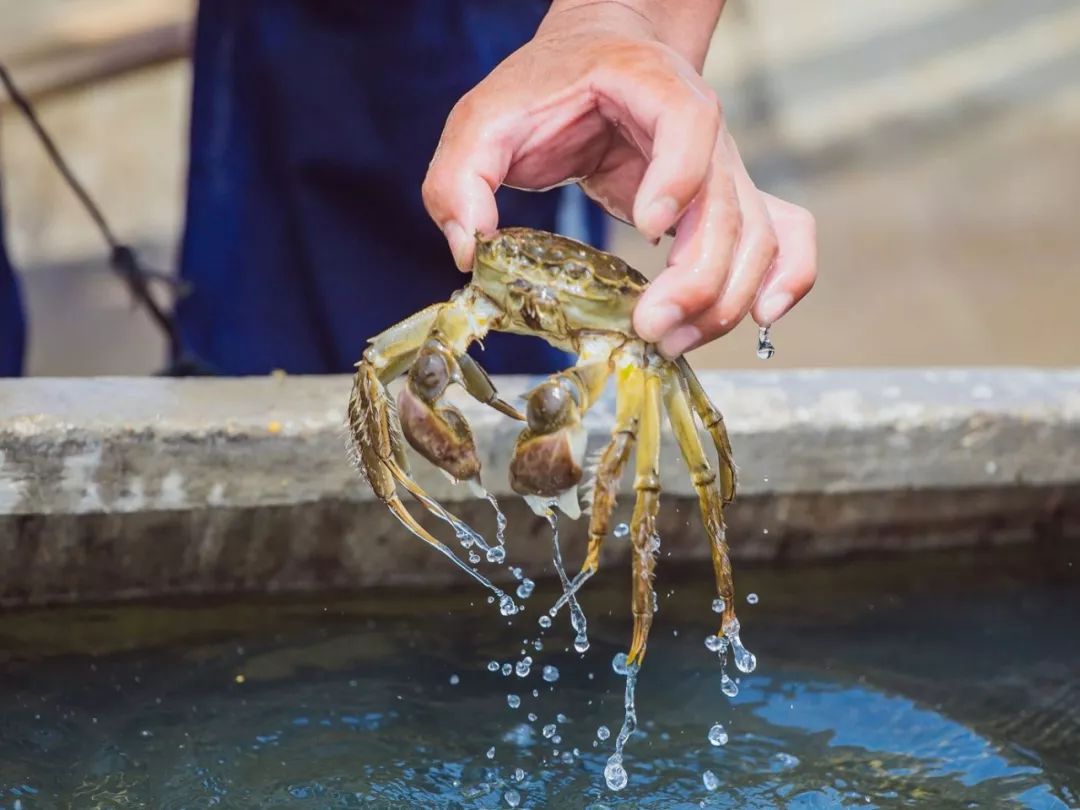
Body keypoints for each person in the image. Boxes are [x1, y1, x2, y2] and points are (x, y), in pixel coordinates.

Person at [0, 0, 815, 377]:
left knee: (521, 433)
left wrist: (631, 18)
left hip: (485, 42)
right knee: (251, 376)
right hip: (274, 48)